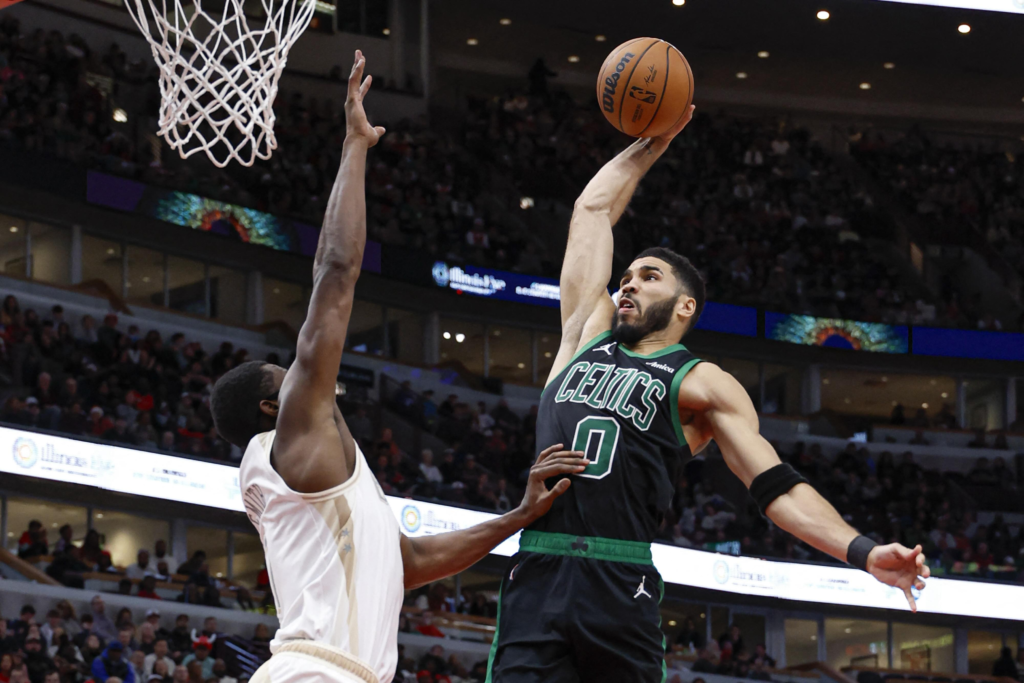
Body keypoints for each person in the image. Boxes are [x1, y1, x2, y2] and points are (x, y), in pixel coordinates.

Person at [484, 106, 930, 683]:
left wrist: (864, 551)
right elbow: (591, 210)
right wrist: (653, 140)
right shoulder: (582, 334)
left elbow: (775, 486)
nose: (628, 285)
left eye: (649, 278)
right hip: (538, 565)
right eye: (626, 278)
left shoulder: (704, 382)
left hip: (621, 578)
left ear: (685, 306)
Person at [209, 53, 586, 683]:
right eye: (289, 378)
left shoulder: (319, 491)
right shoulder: (295, 440)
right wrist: (355, 147)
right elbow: (335, 274)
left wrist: (516, 519)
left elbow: (410, 561)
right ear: (274, 410)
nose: (309, 382)